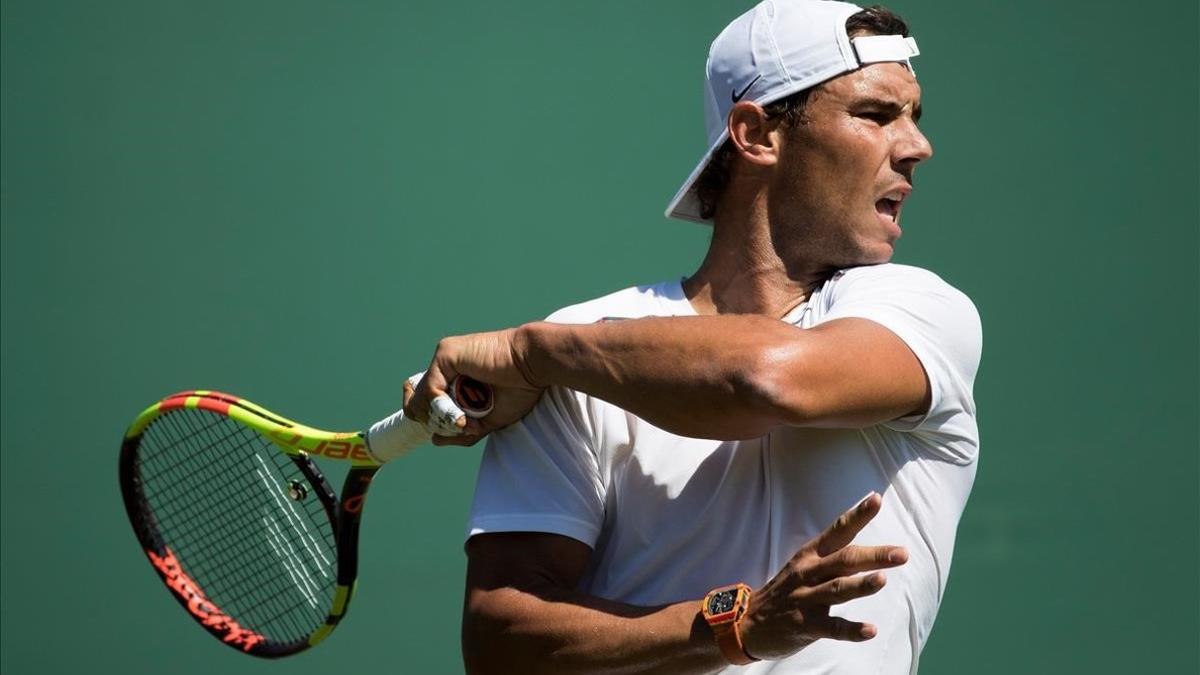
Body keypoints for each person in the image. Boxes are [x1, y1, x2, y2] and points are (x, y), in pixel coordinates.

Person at [405, 1, 981, 672]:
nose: (917, 146)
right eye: (875, 115)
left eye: (914, 116)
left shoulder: (919, 310)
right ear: (758, 134)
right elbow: (500, 640)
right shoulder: (572, 350)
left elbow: (768, 380)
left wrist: (530, 355)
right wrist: (727, 625)